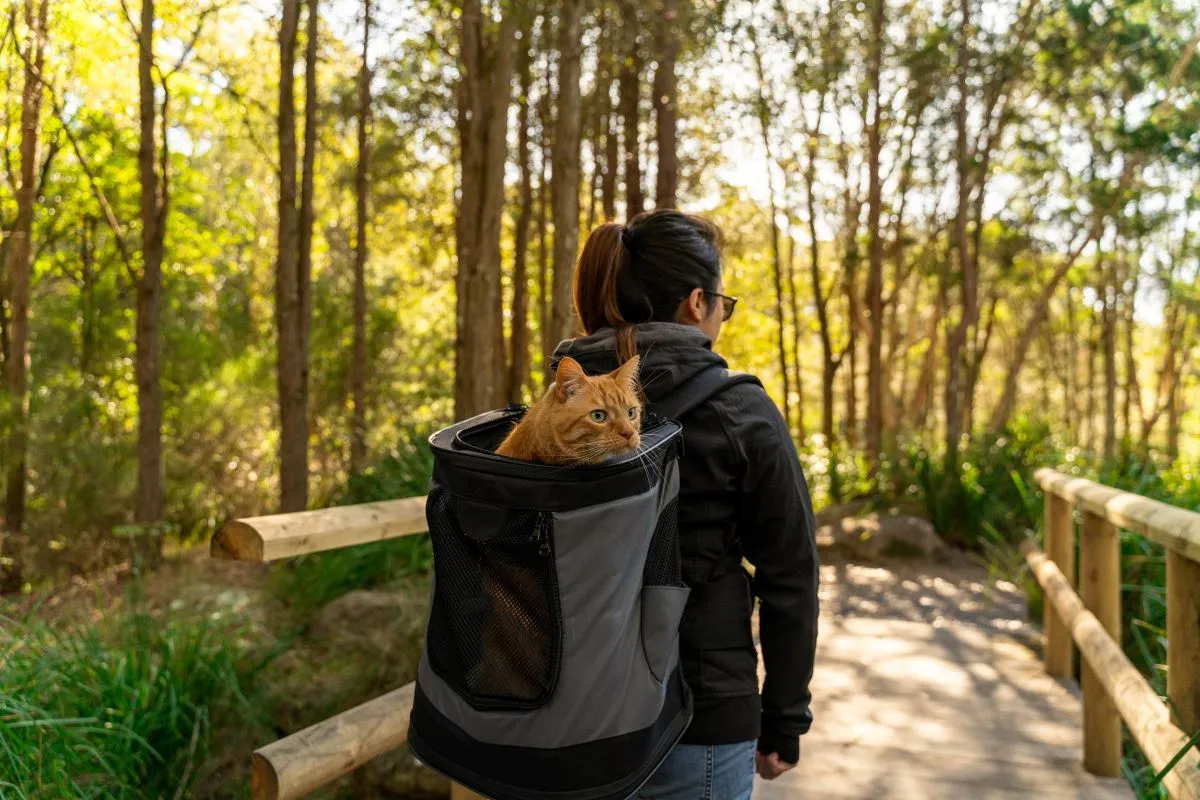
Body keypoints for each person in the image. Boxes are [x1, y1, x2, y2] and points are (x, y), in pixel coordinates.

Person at [553, 209, 820, 800]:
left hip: (563, 721)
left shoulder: (556, 407)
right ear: (697, 302)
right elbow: (790, 577)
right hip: (697, 717)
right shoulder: (739, 412)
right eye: (724, 300)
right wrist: (784, 720)